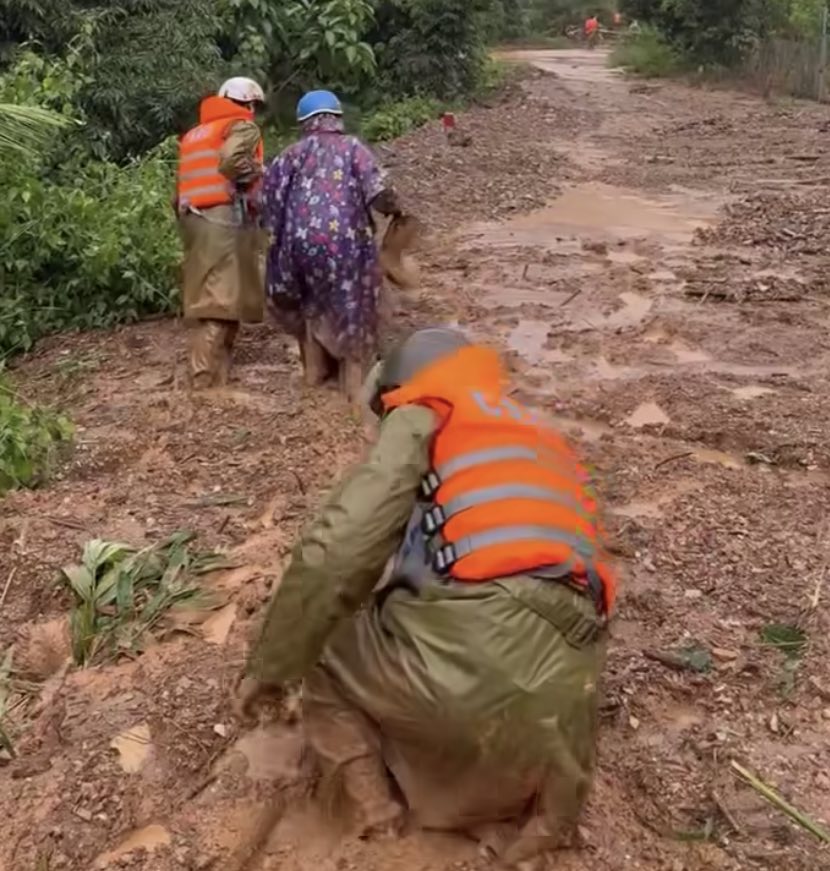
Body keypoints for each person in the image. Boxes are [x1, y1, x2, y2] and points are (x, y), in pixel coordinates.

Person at [236, 328, 615, 866]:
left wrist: (273, 666)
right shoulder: (534, 436)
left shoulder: (423, 411)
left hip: (472, 679)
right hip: (561, 720)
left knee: (321, 638)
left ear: (398, 389)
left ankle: (376, 822)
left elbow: (334, 553)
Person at [261, 90, 402, 409]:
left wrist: (283, 241)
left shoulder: (290, 155)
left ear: (305, 123)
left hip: (299, 248)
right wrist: (395, 209)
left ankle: (313, 381)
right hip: (346, 246)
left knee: (311, 306)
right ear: (336, 118)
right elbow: (378, 192)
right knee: (353, 308)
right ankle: (353, 393)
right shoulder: (353, 148)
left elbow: (269, 204)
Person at [175, 76, 266, 389]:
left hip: (193, 219)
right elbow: (231, 162)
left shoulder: (195, 134)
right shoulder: (240, 125)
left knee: (224, 296)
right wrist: (260, 173)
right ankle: (201, 380)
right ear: (246, 102)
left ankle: (220, 377)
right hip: (221, 217)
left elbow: (180, 189)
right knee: (221, 299)